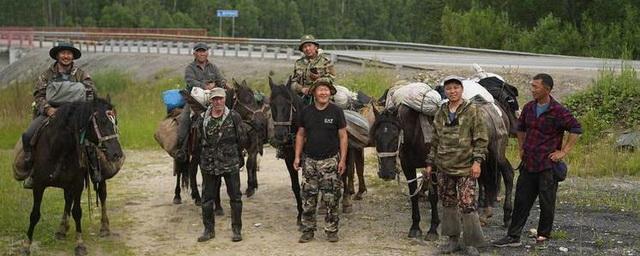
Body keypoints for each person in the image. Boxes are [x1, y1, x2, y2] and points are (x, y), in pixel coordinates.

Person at [493, 73, 581, 247]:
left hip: (547, 164)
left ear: (547, 89)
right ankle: (513, 236)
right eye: (531, 86)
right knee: (521, 200)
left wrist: (563, 152)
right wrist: (521, 147)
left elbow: (576, 129)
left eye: (535, 87)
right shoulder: (528, 108)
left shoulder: (558, 111)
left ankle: (543, 236)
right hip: (529, 163)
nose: (532, 90)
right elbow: (520, 128)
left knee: (547, 201)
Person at [424, 76, 488, 255]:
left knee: (467, 204)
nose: (452, 91)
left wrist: (477, 162)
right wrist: (430, 163)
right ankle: (453, 240)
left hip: (466, 167)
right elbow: (435, 140)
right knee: (448, 203)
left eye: (455, 88)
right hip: (444, 166)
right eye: (449, 89)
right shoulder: (441, 111)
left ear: (461, 90)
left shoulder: (472, 110)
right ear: (445, 92)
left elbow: (481, 138)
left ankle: (471, 243)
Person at [22, 42, 96, 189]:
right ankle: (32, 170)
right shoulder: (46, 75)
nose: (66, 56)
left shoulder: (82, 74)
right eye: (63, 53)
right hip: (51, 113)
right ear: (57, 55)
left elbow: (91, 94)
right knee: (28, 134)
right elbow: (38, 95)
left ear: (73, 56)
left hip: (75, 115)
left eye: (69, 53)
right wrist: (48, 109)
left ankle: (94, 171)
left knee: (93, 139)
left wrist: (80, 112)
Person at [293, 77, 348, 243]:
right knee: (308, 198)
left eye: (326, 90)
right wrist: (297, 156)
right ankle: (308, 230)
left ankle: (331, 230)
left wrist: (342, 159)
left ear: (330, 93)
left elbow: (343, 136)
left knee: (331, 199)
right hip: (309, 161)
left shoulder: (336, 112)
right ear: (314, 93)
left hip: (330, 160)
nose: (324, 93)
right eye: (320, 90)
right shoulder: (306, 112)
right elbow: (301, 134)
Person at [197, 87, 244, 243]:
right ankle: (208, 230)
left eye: (220, 98)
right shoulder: (203, 118)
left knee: (235, 198)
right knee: (207, 199)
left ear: (225, 99)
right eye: (214, 99)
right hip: (209, 164)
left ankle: (237, 230)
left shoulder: (234, 117)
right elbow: (199, 140)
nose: (217, 102)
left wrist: (237, 157)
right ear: (210, 100)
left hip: (229, 164)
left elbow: (241, 139)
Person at [176, 42, 227, 161]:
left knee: (230, 115)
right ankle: (181, 149)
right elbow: (190, 81)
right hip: (194, 100)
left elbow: (221, 79)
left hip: (212, 99)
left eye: (203, 51)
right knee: (184, 119)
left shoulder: (213, 67)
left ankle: (235, 147)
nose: (202, 53)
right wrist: (204, 86)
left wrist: (222, 83)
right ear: (194, 53)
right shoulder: (190, 68)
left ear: (207, 53)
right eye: (199, 51)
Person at [291, 35, 336, 103]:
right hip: (302, 97)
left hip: (321, 96)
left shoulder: (325, 61)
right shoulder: (298, 63)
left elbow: (331, 78)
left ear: (315, 47)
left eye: (309, 45)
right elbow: (293, 82)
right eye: (304, 47)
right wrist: (302, 89)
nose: (307, 49)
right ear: (302, 50)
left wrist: (319, 79)